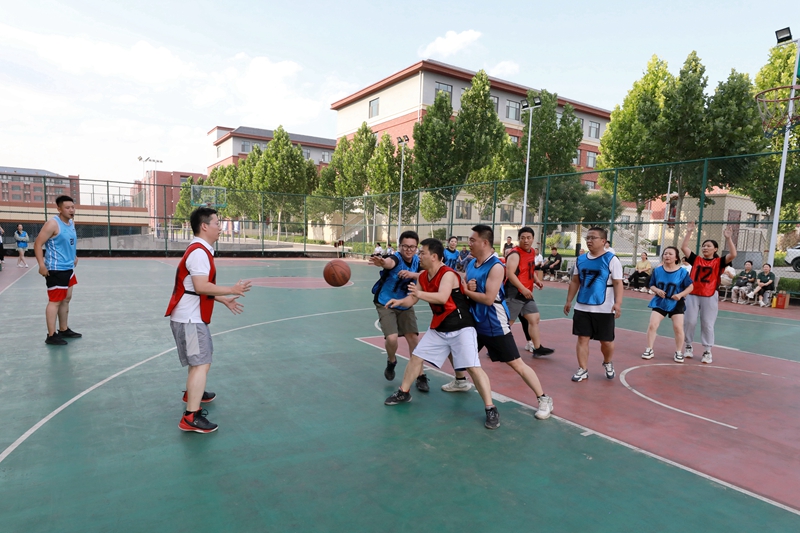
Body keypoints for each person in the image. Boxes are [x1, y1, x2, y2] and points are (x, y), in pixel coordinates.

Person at [384, 238, 501, 429]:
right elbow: (412, 299)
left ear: (434, 256)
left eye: (422, 253)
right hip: (440, 327)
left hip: (461, 327)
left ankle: (490, 408)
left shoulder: (448, 274)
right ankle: (404, 392)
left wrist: (419, 294)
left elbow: (442, 297)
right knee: (417, 357)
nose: (419, 256)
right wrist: (400, 302)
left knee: (473, 367)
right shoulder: (423, 276)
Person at [443, 225, 553, 419]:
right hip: (475, 321)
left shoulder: (495, 266)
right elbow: (468, 287)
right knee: (454, 349)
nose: (469, 243)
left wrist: (466, 290)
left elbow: (487, 298)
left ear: (484, 243)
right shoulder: (471, 264)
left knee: (516, 363)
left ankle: (544, 398)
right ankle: (460, 380)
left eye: (472, 240)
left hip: (494, 323)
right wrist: (468, 288)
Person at [165, 207, 251, 433]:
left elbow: (196, 288)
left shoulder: (200, 250)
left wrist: (224, 300)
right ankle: (190, 417)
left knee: (200, 361)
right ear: (204, 226)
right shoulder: (199, 253)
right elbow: (201, 286)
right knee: (201, 363)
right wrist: (231, 289)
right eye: (217, 223)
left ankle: (193, 393)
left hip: (189, 317)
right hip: (190, 320)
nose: (220, 228)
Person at [368, 231, 427, 391]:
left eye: (412, 247)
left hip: (406, 303)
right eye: (405, 246)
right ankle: (391, 360)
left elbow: (428, 273)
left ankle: (420, 375)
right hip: (386, 302)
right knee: (392, 338)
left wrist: (412, 274)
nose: (409, 250)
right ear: (400, 246)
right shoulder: (396, 258)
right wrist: (382, 262)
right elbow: (389, 263)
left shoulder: (417, 261)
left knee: (413, 338)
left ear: (416, 247)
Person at [563, 227, 624, 382]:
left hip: (604, 308)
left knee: (606, 342)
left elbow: (618, 283)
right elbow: (575, 281)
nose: (589, 241)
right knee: (582, 338)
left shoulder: (612, 259)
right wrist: (569, 300)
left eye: (593, 238)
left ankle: (608, 362)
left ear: (603, 241)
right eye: (587, 238)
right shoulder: (580, 259)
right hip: (582, 306)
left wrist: (618, 303)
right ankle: (583, 369)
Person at [680, 222, 737, 364]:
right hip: (693, 294)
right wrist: (689, 232)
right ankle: (688, 345)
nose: (705, 247)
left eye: (708, 246)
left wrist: (728, 238)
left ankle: (707, 351)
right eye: (704, 246)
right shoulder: (696, 259)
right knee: (689, 321)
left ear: (715, 249)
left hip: (710, 295)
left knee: (707, 323)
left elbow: (733, 254)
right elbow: (684, 247)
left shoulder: (719, 262)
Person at [34, 196, 82, 346]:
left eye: (73, 207)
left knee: (66, 299)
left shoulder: (71, 223)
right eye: (67, 208)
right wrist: (41, 265)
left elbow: (70, 242)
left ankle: (63, 329)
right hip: (56, 269)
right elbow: (37, 244)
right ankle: (51, 335)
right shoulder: (52, 224)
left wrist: (74, 256)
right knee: (55, 302)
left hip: (69, 268)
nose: (71, 210)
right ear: (59, 209)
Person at [504, 227, 554, 357]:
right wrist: (523, 288)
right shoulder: (515, 254)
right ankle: (494, 346)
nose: (526, 240)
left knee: (534, 318)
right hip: (515, 292)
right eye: (523, 238)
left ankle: (537, 348)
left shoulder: (531, 252)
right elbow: (510, 274)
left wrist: (536, 280)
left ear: (533, 239)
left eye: (528, 238)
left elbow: (529, 269)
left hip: (526, 292)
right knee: (507, 323)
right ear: (519, 239)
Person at [641, 247, 694, 362]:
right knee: (652, 325)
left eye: (670, 254)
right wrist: (657, 290)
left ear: (676, 257)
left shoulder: (682, 272)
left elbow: (690, 287)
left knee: (678, 327)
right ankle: (649, 349)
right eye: (665, 254)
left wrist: (680, 295)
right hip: (660, 301)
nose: (667, 256)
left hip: (676, 302)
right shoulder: (657, 270)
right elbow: (652, 284)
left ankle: (678, 352)